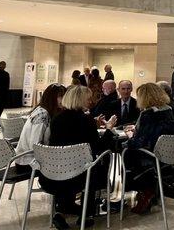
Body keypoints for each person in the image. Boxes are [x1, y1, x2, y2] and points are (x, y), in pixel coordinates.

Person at [41, 85, 117, 229]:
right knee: (97, 167)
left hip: (55, 172)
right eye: (88, 99)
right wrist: (108, 129)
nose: (91, 101)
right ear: (81, 100)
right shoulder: (86, 120)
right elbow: (98, 147)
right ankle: (86, 214)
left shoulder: (57, 119)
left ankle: (60, 212)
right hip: (80, 174)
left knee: (69, 165)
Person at [123, 83, 174, 214]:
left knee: (125, 152)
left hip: (152, 157)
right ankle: (150, 190)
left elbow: (137, 143)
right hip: (169, 155)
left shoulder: (147, 114)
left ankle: (144, 189)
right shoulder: (168, 110)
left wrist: (131, 135)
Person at [15, 83, 66, 169]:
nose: (64, 100)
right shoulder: (42, 115)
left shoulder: (42, 110)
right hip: (28, 161)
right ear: (51, 98)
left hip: (29, 158)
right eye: (61, 97)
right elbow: (35, 145)